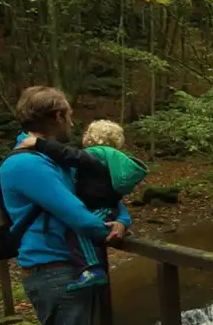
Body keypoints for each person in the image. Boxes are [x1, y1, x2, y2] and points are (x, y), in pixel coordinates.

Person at [1, 86, 131, 325]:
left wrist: (121, 220)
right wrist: (102, 229)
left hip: (67, 269)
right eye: (69, 115)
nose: (73, 122)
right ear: (56, 116)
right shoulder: (25, 165)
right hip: (54, 271)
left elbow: (101, 195)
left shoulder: (51, 159)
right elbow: (74, 212)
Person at [19, 119, 148, 291]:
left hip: (98, 207)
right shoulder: (112, 159)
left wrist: (39, 143)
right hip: (104, 206)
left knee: (78, 230)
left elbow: (68, 154)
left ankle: (92, 269)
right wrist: (122, 219)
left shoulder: (97, 154)